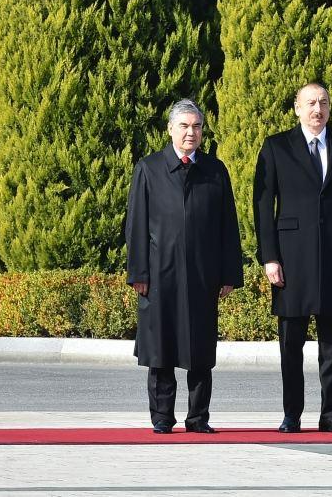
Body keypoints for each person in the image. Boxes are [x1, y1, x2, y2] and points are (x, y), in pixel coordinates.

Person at [253, 81, 332, 434]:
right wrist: (269, 257)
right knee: (290, 343)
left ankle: (331, 414)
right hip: (291, 259)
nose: (317, 109)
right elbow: (262, 206)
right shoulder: (276, 147)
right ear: (297, 108)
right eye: (310, 103)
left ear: (330, 108)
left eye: (322, 103)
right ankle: (292, 414)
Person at [125, 99, 244, 434]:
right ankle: (162, 418)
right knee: (161, 350)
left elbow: (227, 226)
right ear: (170, 129)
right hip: (159, 276)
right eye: (184, 126)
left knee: (201, 350)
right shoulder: (149, 168)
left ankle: (198, 418)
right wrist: (138, 273)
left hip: (202, 277)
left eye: (197, 126)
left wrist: (229, 273)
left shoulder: (215, 170)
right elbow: (136, 226)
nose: (191, 132)